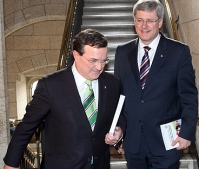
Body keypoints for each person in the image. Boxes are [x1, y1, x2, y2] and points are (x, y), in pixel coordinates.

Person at [3, 29, 125, 169]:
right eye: (93, 61)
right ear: (76, 55)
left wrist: (119, 132)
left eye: (104, 61)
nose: (99, 67)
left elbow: (119, 114)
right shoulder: (50, 85)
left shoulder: (111, 83)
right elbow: (27, 126)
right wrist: (11, 163)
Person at [114, 0, 198, 168]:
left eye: (150, 20)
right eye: (139, 20)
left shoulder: (179, 52)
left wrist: (187, 133)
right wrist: (120, 131)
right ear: (134, 21)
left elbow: (188, 96)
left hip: (167, 141)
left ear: (160, 22)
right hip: (133, 141)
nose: (144, 25)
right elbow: (119, 97)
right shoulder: (122, 52)